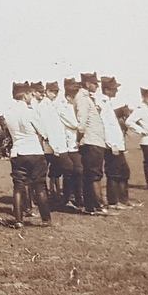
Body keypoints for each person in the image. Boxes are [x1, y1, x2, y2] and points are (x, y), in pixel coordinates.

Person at [3, 81, 52, 229]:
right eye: (30, 94)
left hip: (18, 152)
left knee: (18, 187)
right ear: (25, 95)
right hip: (34, 152)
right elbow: (43, 131)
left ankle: (18, 220)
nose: (32, 96)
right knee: (40, 186)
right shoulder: (30, 112)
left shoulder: (8, 113)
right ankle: (46, 219)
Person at [74, 72, 109, 215]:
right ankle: (99, 206)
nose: (97, 86)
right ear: (88, 84)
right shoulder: (82, 99)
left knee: (91, 174)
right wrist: (80, 138)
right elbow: (81, 123)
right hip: (91, 140)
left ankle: (90, 206)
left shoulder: (86, 98)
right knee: (94, 174)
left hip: (93, 140)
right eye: (95, 83)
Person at [35, 81, 73, 206]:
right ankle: (64, 197)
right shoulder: (45, 107)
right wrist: (55, 147)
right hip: (53, 147)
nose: (55, 94)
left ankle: (56, 195)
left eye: (57, 91)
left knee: (56, 171)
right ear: (47, 92)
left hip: (56, 145)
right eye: (53, 91)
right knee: (69, 169)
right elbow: (48, 128)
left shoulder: (51, 105)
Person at [99, 76, 131, 209]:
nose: (116, 91)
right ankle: (113, 202)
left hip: (117, 144)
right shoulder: (102, 104)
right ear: (106, 90)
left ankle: (123, 200)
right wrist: (112, 145)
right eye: (114, 89)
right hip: (112, 145)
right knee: (114, 172)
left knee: (124, 171)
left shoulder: (107, 103)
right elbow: (105, 126)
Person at [59, 78, 84, 209]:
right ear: (69, 97)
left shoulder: (74, 106)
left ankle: (78, 198)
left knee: (78, 171)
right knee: (72, 172)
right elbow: (75, 124)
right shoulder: (63, 108)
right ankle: (68, 198)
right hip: (69, 145)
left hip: (76, 144)